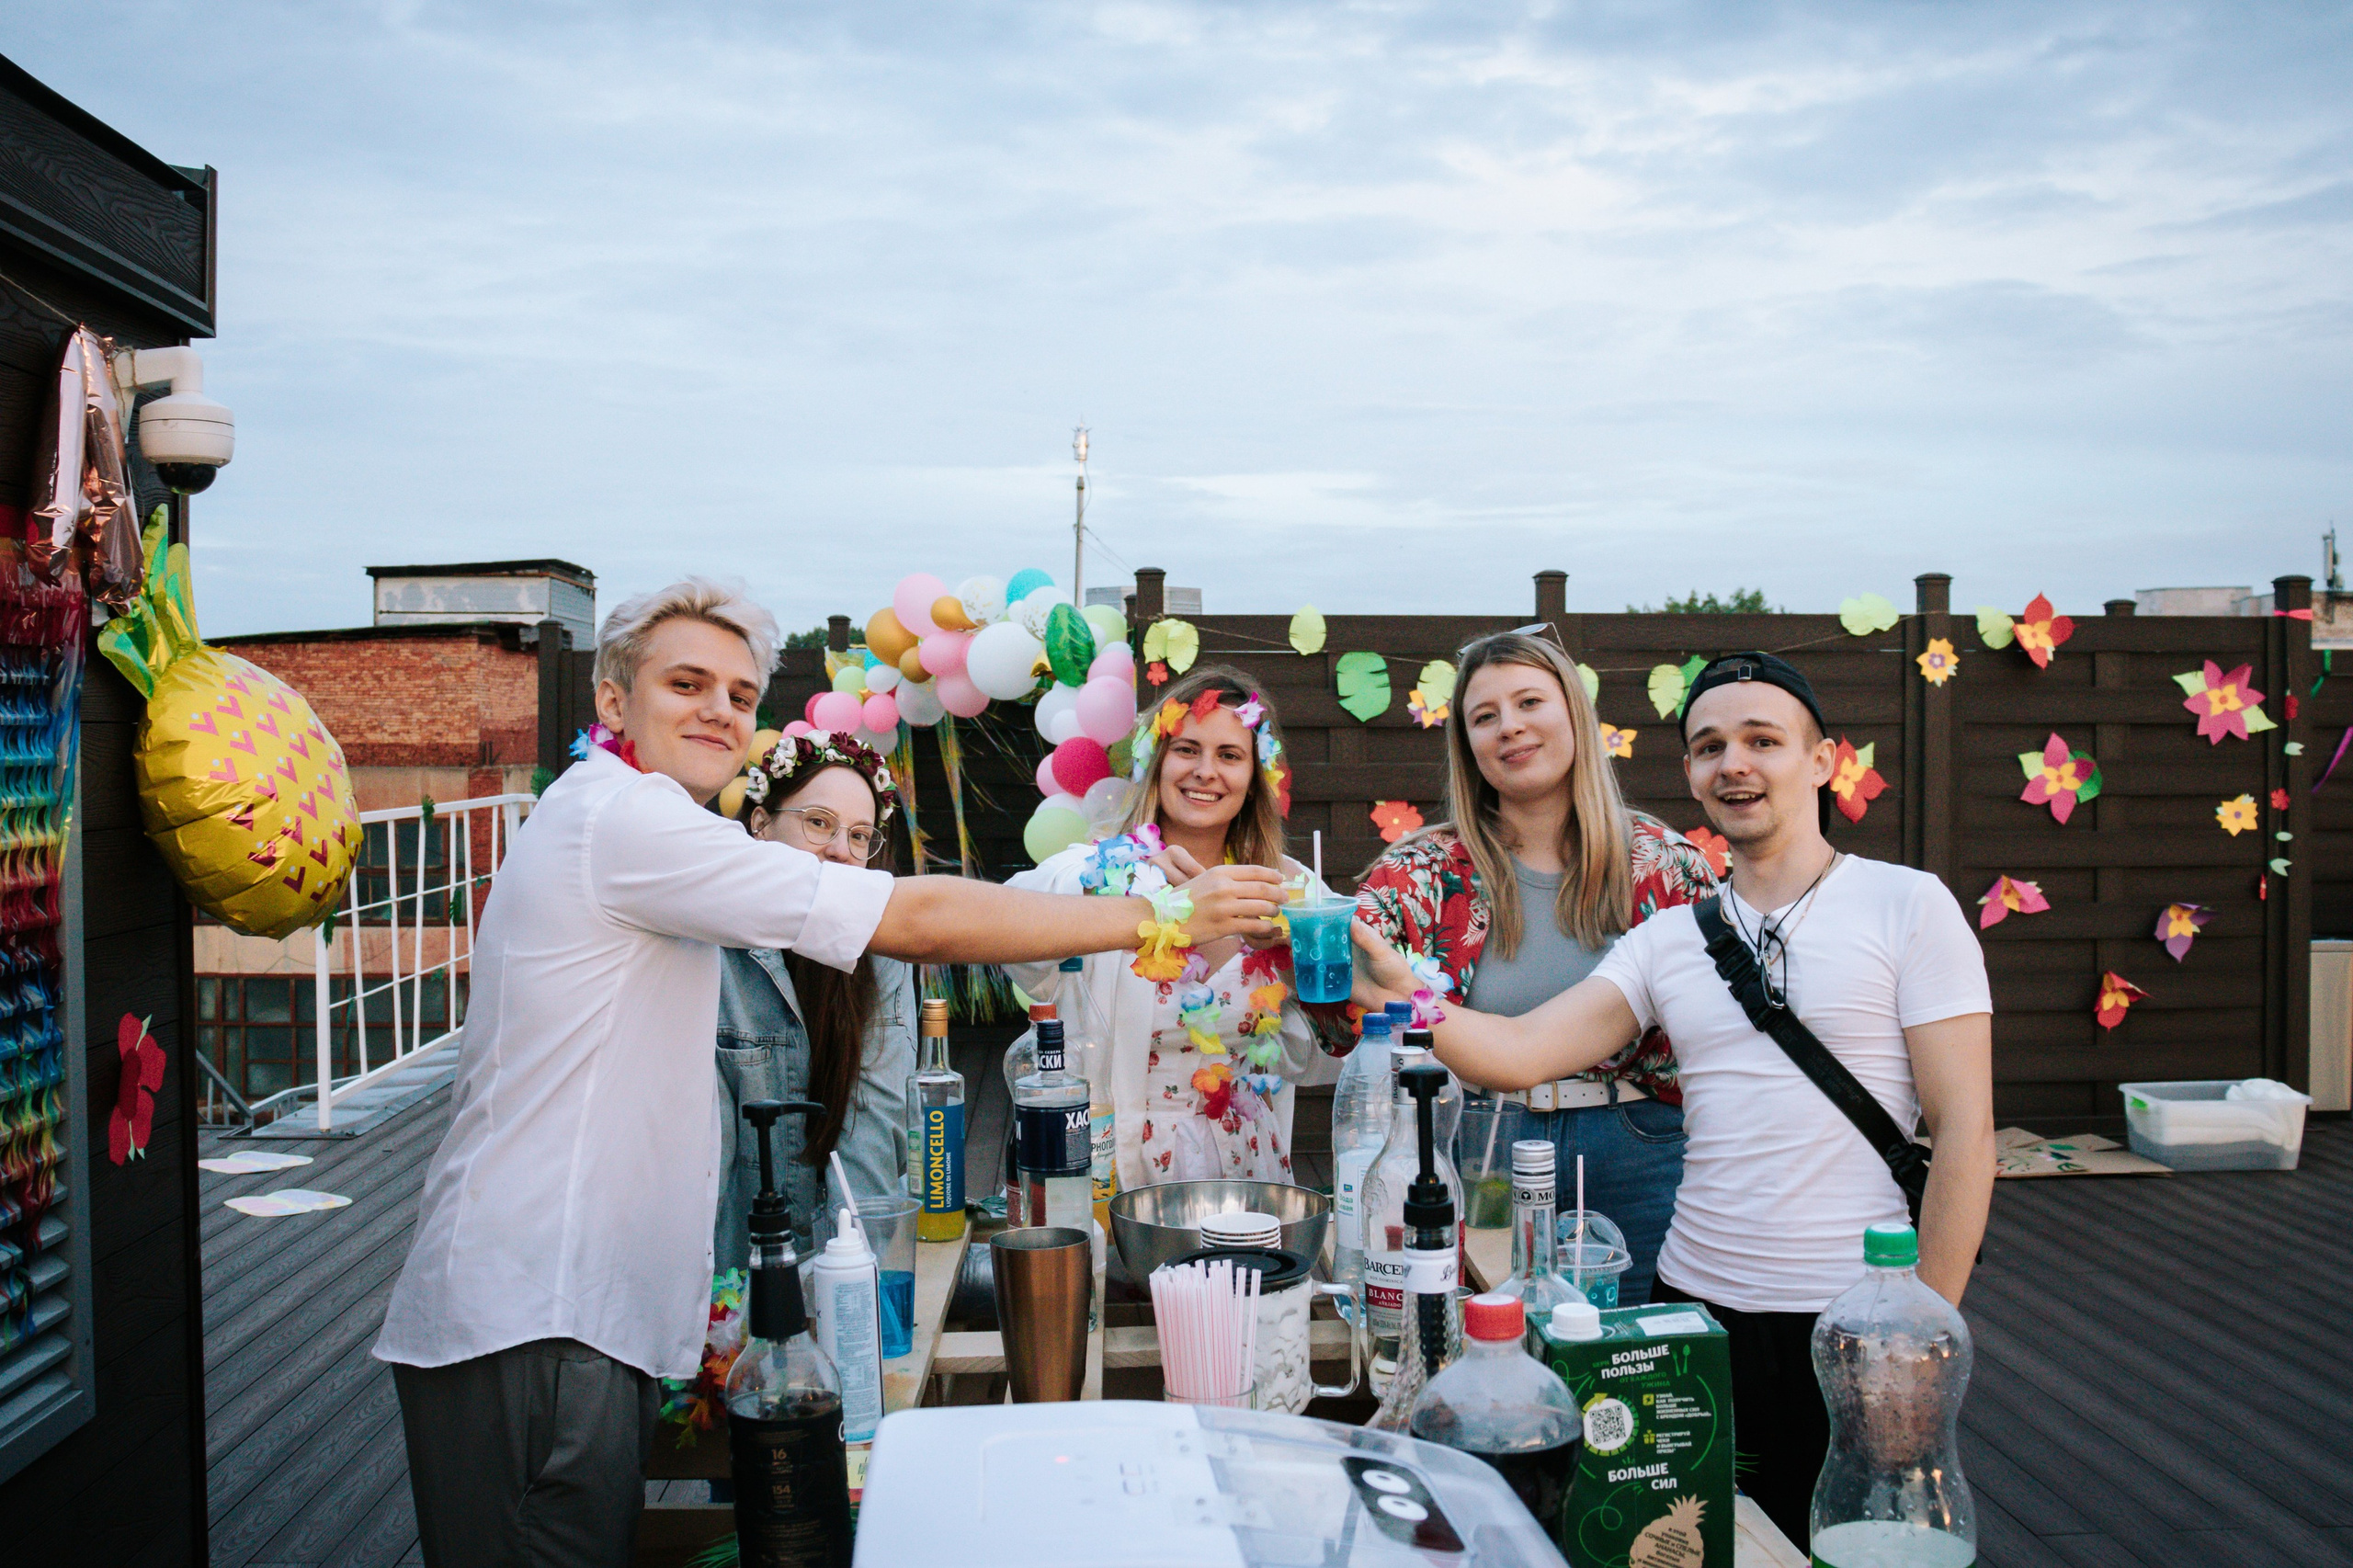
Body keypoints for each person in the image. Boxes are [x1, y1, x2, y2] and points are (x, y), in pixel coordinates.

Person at [375, 579, 1285, 1568]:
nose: (718, 710)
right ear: (611, 701)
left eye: (738, 694)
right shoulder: (624, 820)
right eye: (685, 683)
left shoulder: (649, 829)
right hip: (540, 1313)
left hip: (588, 1315)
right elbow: (915, 918)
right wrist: (1161, 917)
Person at [1349, 650, 1995, 1545]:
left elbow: (1966, 1136)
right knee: (1685, 1540)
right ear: (1689, 771)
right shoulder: (1667, 939)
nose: (1734, 763)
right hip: (1690, 1312)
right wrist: (1391, 984)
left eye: (1762, 740)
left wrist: (1917, 1337)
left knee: (1855, 1544)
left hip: (1854, 1316)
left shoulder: (1907, 905)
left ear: (1821, 760)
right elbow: (1517, 1051)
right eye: (1710, 746)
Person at [1336, 629, 1715, 1304]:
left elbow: (1720, 1034)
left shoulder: (1666, 865)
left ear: (1575, 713)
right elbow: (1343, 1005)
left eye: (1529, 702)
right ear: (1468, 746)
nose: (1509, 726)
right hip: (1477, 1146)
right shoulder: (1418, 874)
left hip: (1639, 1151)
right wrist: (1290, 926)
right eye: (1485, 716)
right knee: (1480, 1353)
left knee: (1635, 1357)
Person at [1009, 666, 1335, 1187]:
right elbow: (1015, 930)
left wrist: (1299, 965)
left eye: (1229, 755)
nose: (1205, 771)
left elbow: (1326, 1057)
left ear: (1255, 778)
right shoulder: (1099, 872)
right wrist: (1134, 895)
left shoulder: (1286, 889)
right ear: (1157, 763)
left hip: (1247, 1163)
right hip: (1118, 1166)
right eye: (1187, 749)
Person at [711, 730, 915, 1267]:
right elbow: (706, 1161)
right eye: (819, 823)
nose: (841, 851)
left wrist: (850, 1280)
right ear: (760, 824)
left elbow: (873, 1132)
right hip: (727, 1271)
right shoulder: (709, 944)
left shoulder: (881, 957)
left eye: (860, 836)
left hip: (839, 1258)